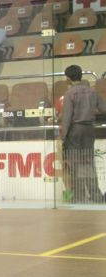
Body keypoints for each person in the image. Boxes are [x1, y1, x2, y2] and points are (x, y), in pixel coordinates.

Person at [59, 64, 106, 202]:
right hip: (89, 130)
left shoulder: (69, 94)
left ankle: (79, 196)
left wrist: (63, 136)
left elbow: (66, 117)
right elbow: (104, 109)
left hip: (75, 130)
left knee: (75, 163)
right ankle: (95, 195)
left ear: (68, 78)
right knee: (88, 162)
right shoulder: (92, 92)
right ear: (81, 75)